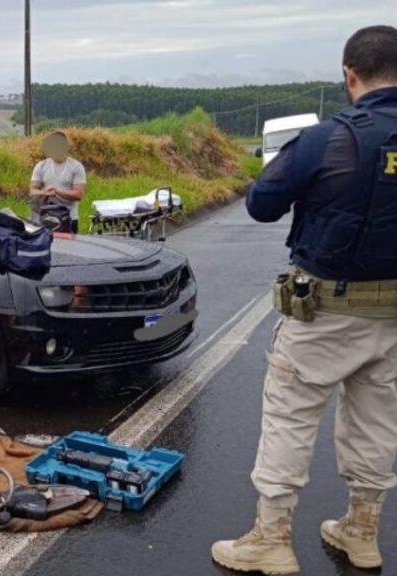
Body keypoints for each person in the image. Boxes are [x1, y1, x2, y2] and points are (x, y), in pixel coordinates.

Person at [211, 25, 397, 574]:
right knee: (377, 423)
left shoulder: (327, 138)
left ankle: (272, 538)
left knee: (290, 418)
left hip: (325, 311)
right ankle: (361, 533)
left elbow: (261, 206)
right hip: (395, 318)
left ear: (349, 74)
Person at [29, 131, 87, 232]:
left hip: (69, 218)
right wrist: (44, 192)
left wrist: (57, 191)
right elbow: (32, 191)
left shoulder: (76, 167)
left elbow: (78, 194)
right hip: (45, 218)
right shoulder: (41, 166)